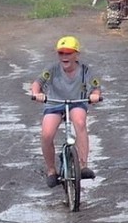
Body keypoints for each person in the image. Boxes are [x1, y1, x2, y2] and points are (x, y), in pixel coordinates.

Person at [30, 36, 102, 188]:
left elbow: (96, 87)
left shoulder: (85, 70)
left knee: (80, 122)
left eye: (68, 53)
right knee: (46, 133)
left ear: (77, 54)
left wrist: (95, 95)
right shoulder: (52, 69)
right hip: (54, 103)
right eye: (61, 53)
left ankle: (83, 165)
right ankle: (51, 171)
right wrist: (37, 94)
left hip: (77, 102)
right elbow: (37, 83)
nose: (64, 57)